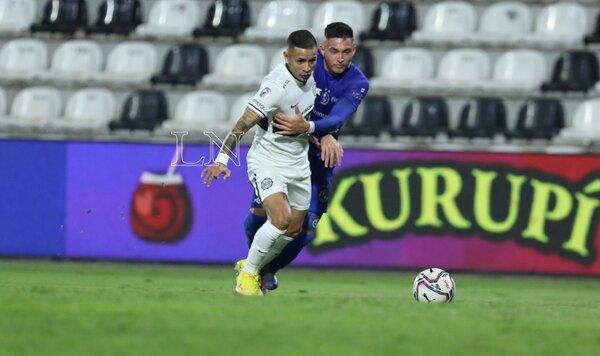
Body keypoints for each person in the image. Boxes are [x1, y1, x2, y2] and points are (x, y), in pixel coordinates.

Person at [242, 22, 370, 291]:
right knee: (260, 213)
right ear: (323, 50)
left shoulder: (357, 82)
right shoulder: (306, 68)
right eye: (334, 51)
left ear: (354, 50)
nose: (340, 57)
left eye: (346, 51)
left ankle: (266, 270)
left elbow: (339, 116)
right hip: (285, 148)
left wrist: (318, 131)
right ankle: (252, 266)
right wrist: (320, 133)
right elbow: (282, 104)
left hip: (318, 155)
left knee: (307, 229)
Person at [201, 29, 319, 296]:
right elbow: (242, 123)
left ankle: (254, 264)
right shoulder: (276, 87)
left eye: (312, 61)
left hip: (299, 164)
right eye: (300, 61)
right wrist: (221, 160)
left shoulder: (312, 79)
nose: (307, 67)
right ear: (286, 57)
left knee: (294, 228)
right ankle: (248, 276)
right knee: (280, 219)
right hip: (268, 162)